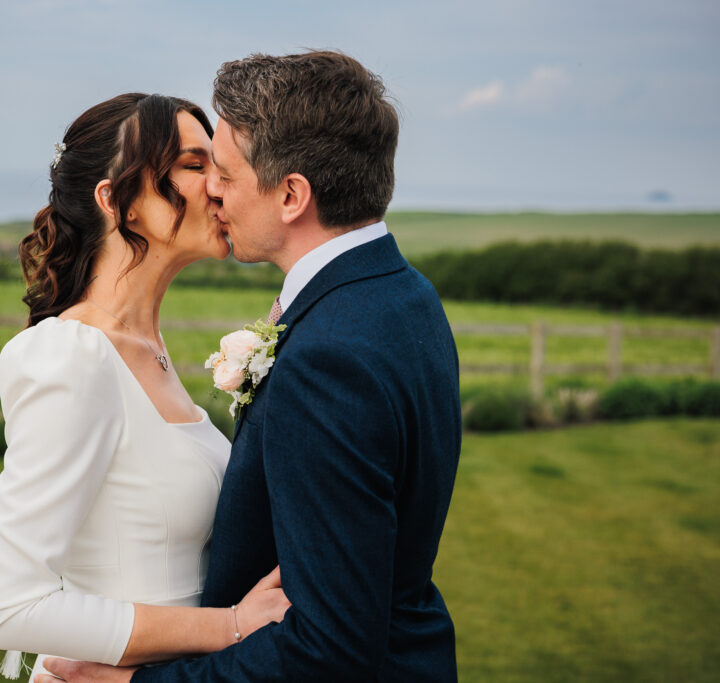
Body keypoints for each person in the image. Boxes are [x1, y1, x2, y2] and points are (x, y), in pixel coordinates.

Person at [41, 51, 462, 682]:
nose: (209, 188)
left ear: (292, 194)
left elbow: (330, 649)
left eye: (226, 173)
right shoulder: (404, 295)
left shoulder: (327, 359)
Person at [0, 93, 290, 682]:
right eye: (196, 166)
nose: (219, 187)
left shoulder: (151, 351)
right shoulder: (69, 356)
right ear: (117, 199)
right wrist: (230, 627)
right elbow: (11, 605)